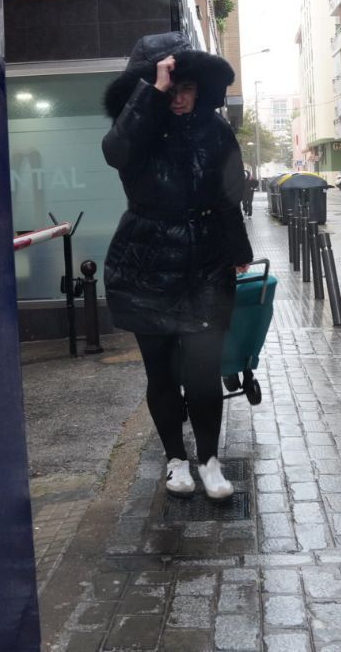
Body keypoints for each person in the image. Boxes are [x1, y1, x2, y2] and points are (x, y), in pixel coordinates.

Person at [102, 32, 253, 501]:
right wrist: (155, 89)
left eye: (188, 86)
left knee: (204, 372)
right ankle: (175, 460)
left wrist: (239, 252)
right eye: (172, 87)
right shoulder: (137, 131)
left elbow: (229, 194)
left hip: (206, 264)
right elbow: (115, 152)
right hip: (146, 264)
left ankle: (209, 461)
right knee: (162, 374)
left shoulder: (215, 129)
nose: (181, 97)